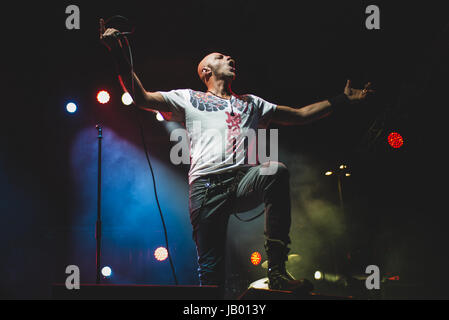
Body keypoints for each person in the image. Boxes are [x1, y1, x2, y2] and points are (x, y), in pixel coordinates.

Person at [100, 21, 373, 295]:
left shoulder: (251, 102)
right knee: (211, 274)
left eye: (228, 56)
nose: (229, 58)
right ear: (206, 71)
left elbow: (300, 114)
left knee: (275, 171)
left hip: (243, 181)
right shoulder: (187, 97)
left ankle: (277, 271)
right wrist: (118, 53)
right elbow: (141, 97)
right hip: (206, 188)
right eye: (220, 57)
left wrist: (342, 100)